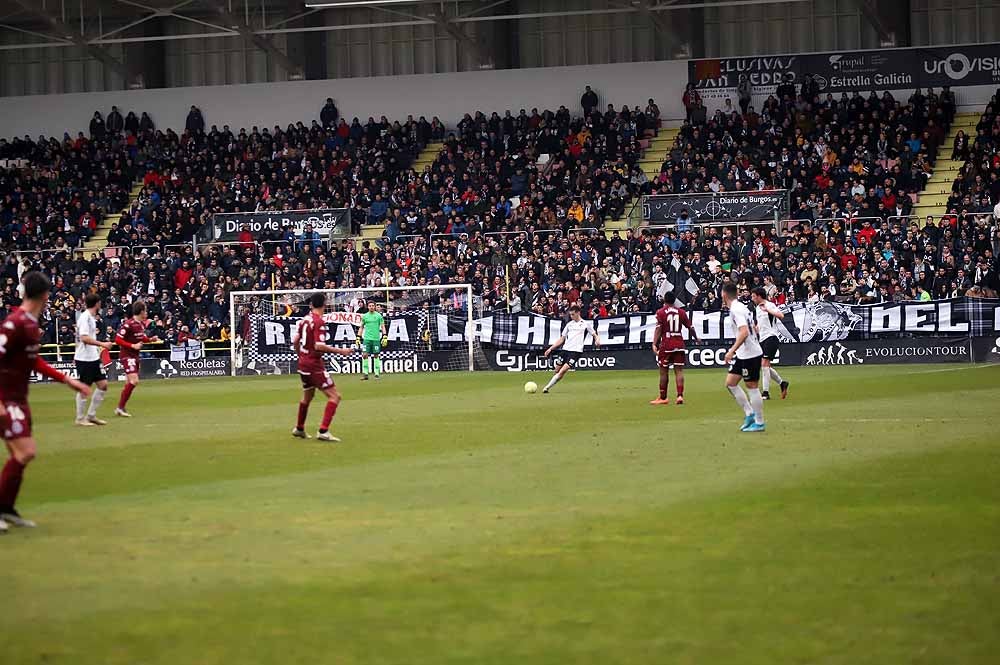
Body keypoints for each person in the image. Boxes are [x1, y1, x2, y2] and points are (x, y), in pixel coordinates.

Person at [0, 272, 90, 533]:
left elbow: (34, 362)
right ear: (45, 295)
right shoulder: (14, 323)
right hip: (7, 400)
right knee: (26, 451)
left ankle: (7, 508)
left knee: (20, 456)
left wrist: (67, 380)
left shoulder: (30, 325)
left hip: (20, 399)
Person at [292, 292, 354, 441]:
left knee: (308, 396)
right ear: (325, 305)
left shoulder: (304, 320)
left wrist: (301, 355)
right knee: (335, 396)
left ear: (311, 304)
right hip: (314, 365)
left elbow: (295, 341)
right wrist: (341, 351)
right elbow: (319, 345)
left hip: (303, 363)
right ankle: (323, 431)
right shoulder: (318, 322)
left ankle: (299, 428)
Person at [721, 283, 765, 432]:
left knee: (752, 387)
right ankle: (749, 413)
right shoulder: (741, 307)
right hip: (744, 353)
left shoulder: (736, 310)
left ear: (724, 295)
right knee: (730, 383)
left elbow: (744, 332)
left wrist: (731, 350)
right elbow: (751, 327)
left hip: (750, 353)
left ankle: (759, 422)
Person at [114, 301, 161, 418]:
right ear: (141, 311)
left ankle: (121, 407)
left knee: (129, 382)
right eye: (145, 310)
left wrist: (150, 340)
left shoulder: (140, 324)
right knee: (134, 381)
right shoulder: (128, 324)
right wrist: (132, 346)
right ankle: (119, 407)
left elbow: (141, 337)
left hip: (135, 356)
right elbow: (118, 340)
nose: (146, 312)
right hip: (127, 355)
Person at [74, 293, 115, 426]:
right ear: (97, 303)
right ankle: (80, 418)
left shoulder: (91, 317)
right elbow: (84, 338)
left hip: (93, 357)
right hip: (85, 358)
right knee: (84, 388)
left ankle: (91, 415)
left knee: (103, 385)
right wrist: (103, 344)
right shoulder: (85, 317)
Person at [650, 291, 697, 405]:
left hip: (667, 344)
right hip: (679, 343)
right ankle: (680, 396)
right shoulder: (681, 312)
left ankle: (663, 397)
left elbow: (658, 328)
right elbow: (690, 327)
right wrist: (696, 337)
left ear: (664, 301)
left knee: (663, 371)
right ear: (674, 301)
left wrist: (654, 343)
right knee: (679, 371)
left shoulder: (661, 312)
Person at [541, 305, 600, 393]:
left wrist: (597, 341)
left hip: (576, 352)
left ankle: (546, 388)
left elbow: (595, 335)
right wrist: (550, 349)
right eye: (570, 315)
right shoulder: (569, 324)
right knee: (557, 370)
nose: (571, 316)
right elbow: (562, 339)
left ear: (578, 313)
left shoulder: (585, 324)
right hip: (565, 350)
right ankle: (552, 382)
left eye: (573, 314)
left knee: (563, 371)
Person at [750, 287, 789, 401]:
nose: (752, 298)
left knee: (764, 364)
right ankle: (782, 383)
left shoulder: (769, 305)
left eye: (753, 296)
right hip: (762, 339)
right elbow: (759, 326)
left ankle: (765, 393)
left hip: (771, 337)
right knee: (765, 366)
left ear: (758, 296)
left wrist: (768, 310)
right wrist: (752, 328)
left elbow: (781, 315)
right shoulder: (757, 308)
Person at [359, 300, 386, 380]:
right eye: (370, 306)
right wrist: (358, 336)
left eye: (373, 306)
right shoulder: (365, 316)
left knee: (376, 355)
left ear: (375, 306)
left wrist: (384, 336)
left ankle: (377, 374)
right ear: (368, 307)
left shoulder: (378, 316)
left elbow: (383, 326)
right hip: (366, 339)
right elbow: (361, 327)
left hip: (376, 339)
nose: (371, 307)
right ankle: (365, 374)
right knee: (364, 355)